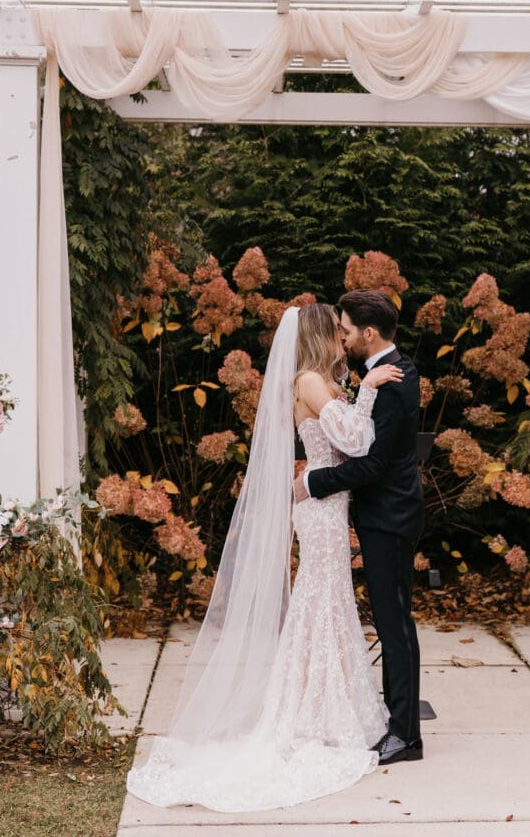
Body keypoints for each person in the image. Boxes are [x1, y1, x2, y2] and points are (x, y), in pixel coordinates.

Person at [126, 303, 402, 812]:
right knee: (321, 602)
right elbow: (357, 441)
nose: (345, 340)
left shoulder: (319, 380)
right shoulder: (311, 384)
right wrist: (367, 390)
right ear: (322, 334)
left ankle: (319, 705)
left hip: (324, 508)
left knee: (327, 602)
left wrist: (358, 387)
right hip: (320, 513)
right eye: (338, 332)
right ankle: (312, 713)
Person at [295, 289, 425, 765]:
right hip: (378, 515)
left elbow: (370, 465)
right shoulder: (377, 374)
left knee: (394, 625)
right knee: (389, 622)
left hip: (389, 517)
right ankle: (395, 720)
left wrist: (312, 481)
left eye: (346, 330)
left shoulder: (391, 379)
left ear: (368, 333)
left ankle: (406, 735)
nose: (342, 338)